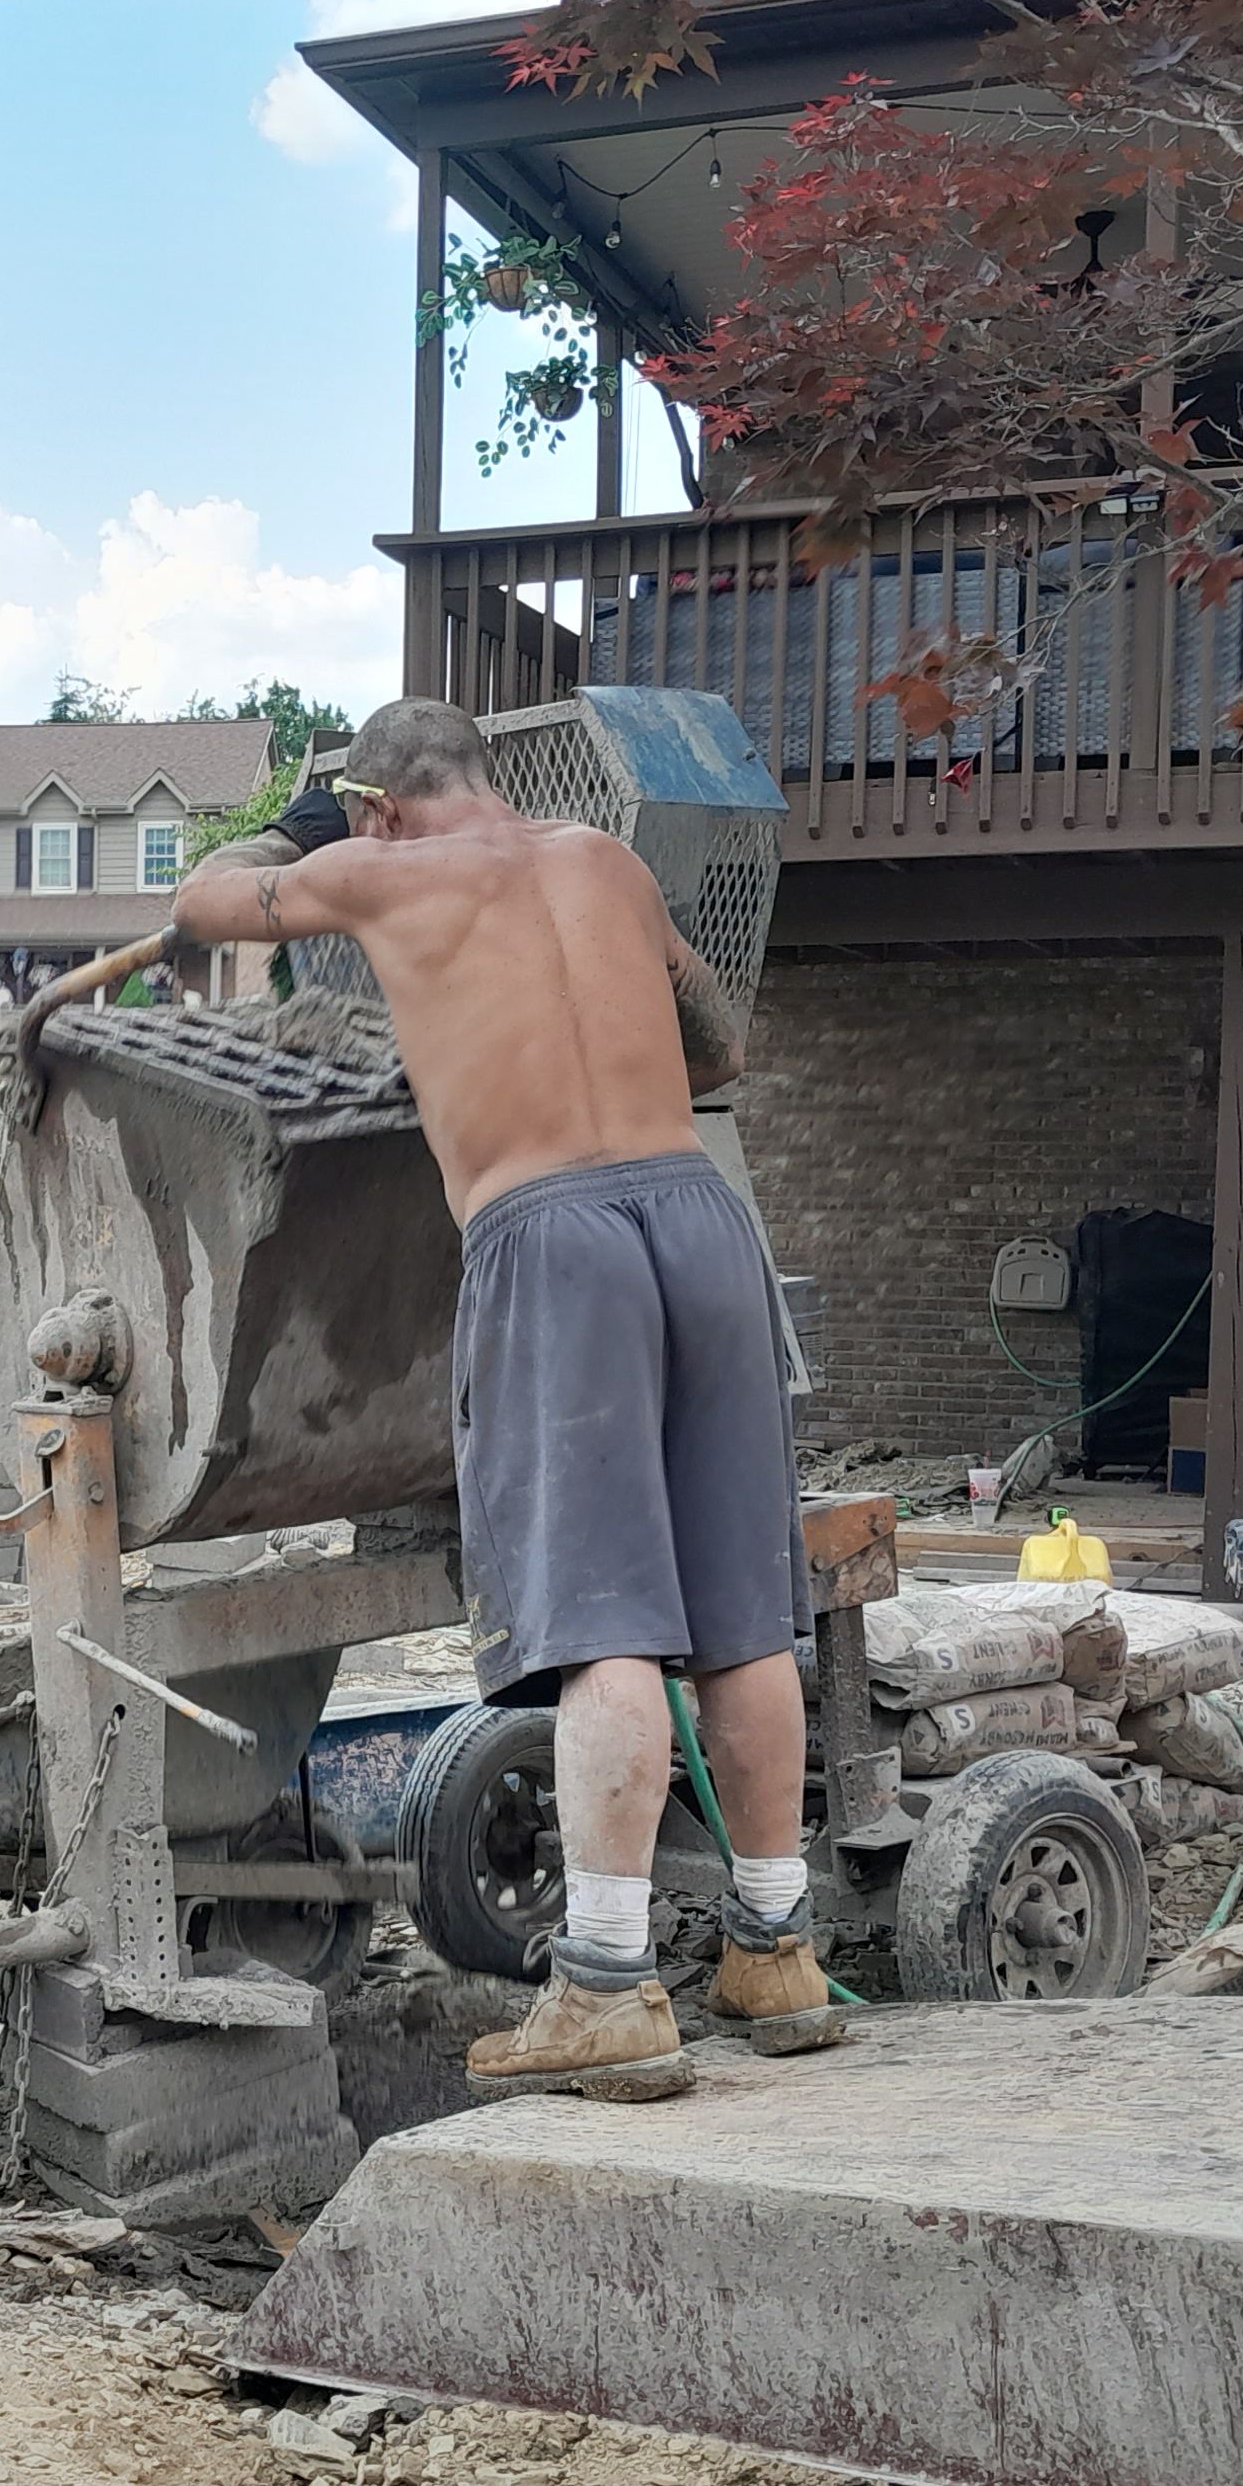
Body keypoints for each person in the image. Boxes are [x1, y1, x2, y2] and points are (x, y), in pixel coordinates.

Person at [163, 698, 817, 2096]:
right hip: (699, 1219)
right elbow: (719, 1042)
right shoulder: (607, 864)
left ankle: (606, 1988)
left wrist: (305, 829)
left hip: (553, 1238)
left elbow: (205, 901)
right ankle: (778, 1948)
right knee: (743, 1617)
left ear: (384, 804)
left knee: (605, 1620)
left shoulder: (378, 868)